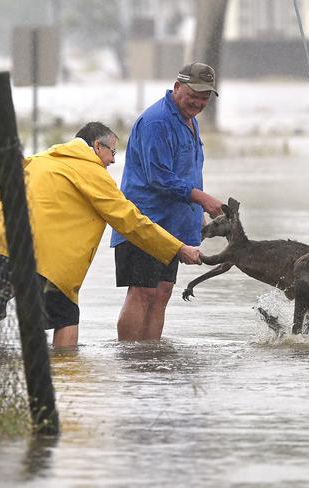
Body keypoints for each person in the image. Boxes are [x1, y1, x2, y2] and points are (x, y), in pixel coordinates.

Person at [0, 122, 202, 349]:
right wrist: (178, 248)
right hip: (46, 261)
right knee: (66, 319)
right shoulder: (93, 174)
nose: (113, 160)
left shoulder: (40, 160)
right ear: (96, 146)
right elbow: (130, 221)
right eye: (112, 152)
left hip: (0, 246)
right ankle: (65, 376)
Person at [111, 62, 224, 341]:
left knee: (161, 293)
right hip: (145, 221)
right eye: (193, 95)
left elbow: (190, 171)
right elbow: (158, 177)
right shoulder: (157, 121)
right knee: (143, 292)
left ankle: (151, 355)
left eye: (204, 97)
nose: (198, 102)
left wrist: (199, 214)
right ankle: (131, 360)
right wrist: (203, 198)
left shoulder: (190, 120)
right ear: (176, 88)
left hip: (174, 224)